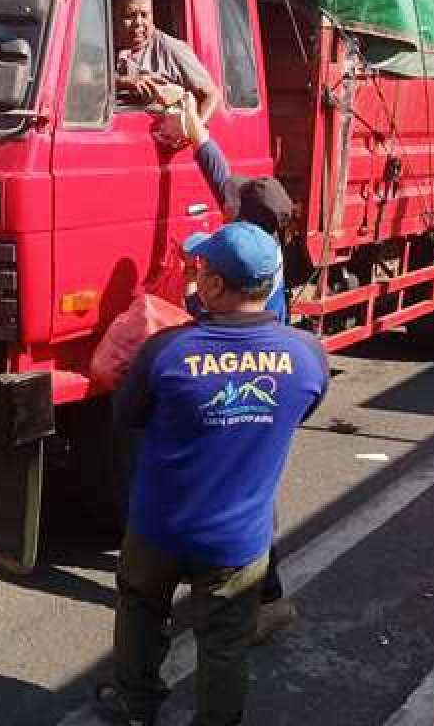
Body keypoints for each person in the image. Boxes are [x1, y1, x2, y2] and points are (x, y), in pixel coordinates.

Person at [96, 222, 330, 726]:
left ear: (217, 286)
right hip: (239, 537)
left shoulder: (167, 352)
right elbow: (297, 414)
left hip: (160, 525)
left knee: (141, 615)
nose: (196, 276)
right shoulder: (309, 357)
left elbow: (126, 417)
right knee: (226, 646)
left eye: (202, 269)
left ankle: (136, 710)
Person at [177, 89, 302, 640]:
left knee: (245, 507)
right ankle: (255, 592)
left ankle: (267, 601)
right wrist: (198, 134)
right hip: (262, 410)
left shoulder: (255, 289)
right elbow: (225, 180)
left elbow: (217, 318)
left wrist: (189, 298)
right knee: (252, 498)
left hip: (241, 403)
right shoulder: (267, 253)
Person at [112, 0, 220, 122]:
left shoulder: (172, 49)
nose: (138, 23)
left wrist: (191, 131)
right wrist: (123, 82)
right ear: (114, 15)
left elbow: (212, 95)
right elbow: (82, 80)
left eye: (144, 15)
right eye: (129, 16)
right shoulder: (105, 47)